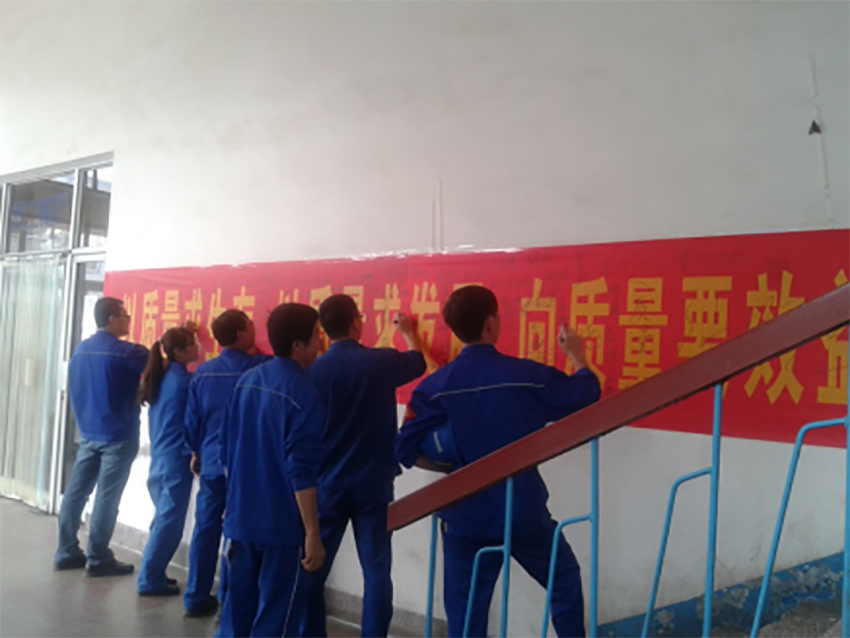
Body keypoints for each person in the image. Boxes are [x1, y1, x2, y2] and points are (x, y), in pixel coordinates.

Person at [395, 285, 602, 638]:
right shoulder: (527, 376)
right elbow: (586, 393)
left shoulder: (435, 387)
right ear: (492, 322)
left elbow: (405, 450)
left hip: (464, 515)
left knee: (466, 616)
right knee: (564, 579)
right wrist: (577, 355)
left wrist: (454, 466)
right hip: (522, 511)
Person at [300, 294, 427, 638]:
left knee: (313, 569)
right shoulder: (379, 361)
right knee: (376, 573)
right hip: (373, 484)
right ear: (356, 323)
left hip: (326, 485)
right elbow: (417, 363)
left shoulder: (312, 371)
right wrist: (408, 332)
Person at [216, 303, 327, 638]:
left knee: (237, 612)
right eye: (316, 335)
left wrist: (231, 504)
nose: (321, 341)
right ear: (298, 345)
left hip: (242, 519)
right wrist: (312, 532)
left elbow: (226, 449)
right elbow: (300, 468)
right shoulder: (304, 394)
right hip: (281, 525)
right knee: (276, 618)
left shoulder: (247, 381)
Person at [183, 309, 270, 617]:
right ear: (241, 335)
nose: (255, 330)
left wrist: (196, 452)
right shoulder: (260, 369)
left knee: (205, 529)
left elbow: (191, 423)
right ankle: (228, 597)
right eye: (251, 326)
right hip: (246, 467)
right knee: (238, 531)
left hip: (210, 462)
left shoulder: (203, 373)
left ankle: (195, 596)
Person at [54, 297, 149, 576]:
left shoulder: (81, 350)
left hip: (89, 433)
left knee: (76, 493)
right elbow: (157, 362)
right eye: (125, 315)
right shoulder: (125, 352)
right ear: (112, 319)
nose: (128, 320)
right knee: (107, 498)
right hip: (118, 435)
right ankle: (98, 558)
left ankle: (66, 551)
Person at [136, 325, 199, 596]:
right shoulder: (184, 382)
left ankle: (155, 573)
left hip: (161, 457)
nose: (198, 347)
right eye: (192, 343)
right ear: (179, 352)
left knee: (163, 518)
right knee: (169, 524)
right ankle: (149, 580)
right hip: (176, 460)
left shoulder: (162, 376)